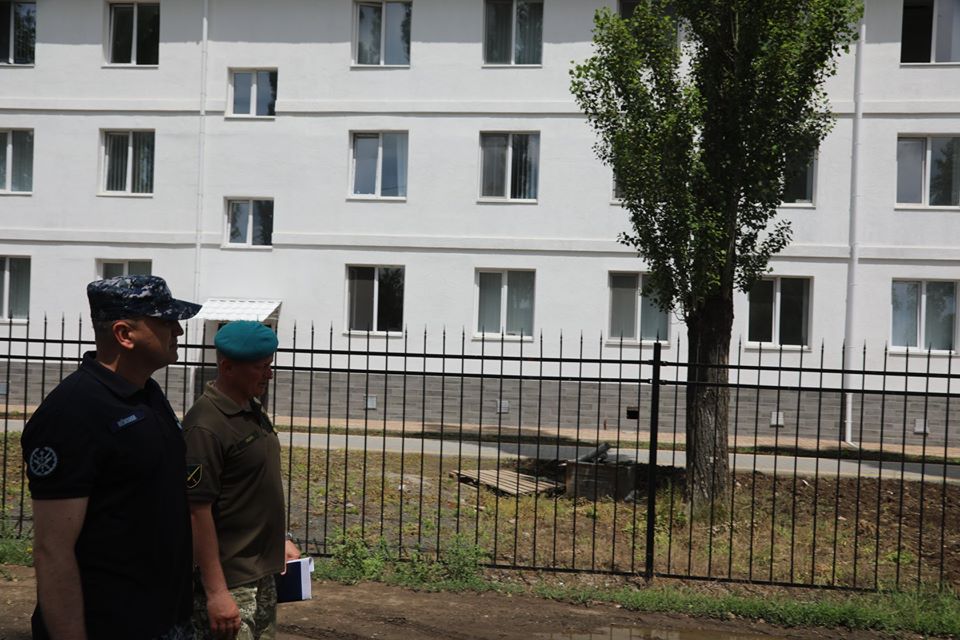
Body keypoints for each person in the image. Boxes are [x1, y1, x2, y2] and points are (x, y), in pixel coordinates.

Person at [21, 275, 201, 640]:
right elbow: (53, 550)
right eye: (166, 320)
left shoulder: (148, 394)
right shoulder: (73, 412)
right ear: (124, 334)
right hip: (112, 625)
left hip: (166, 621)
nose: (178, 331)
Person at [184, 320, 299, 640]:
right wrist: (216, 592)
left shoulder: (250, 407)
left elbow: (253, 488)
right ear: (227, 367)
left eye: (270, 365)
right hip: (231, 579)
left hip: (261, 571)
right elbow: (196, 511)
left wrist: (279, 540)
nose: (269, 374)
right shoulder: (205, 425)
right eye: (261, 367)